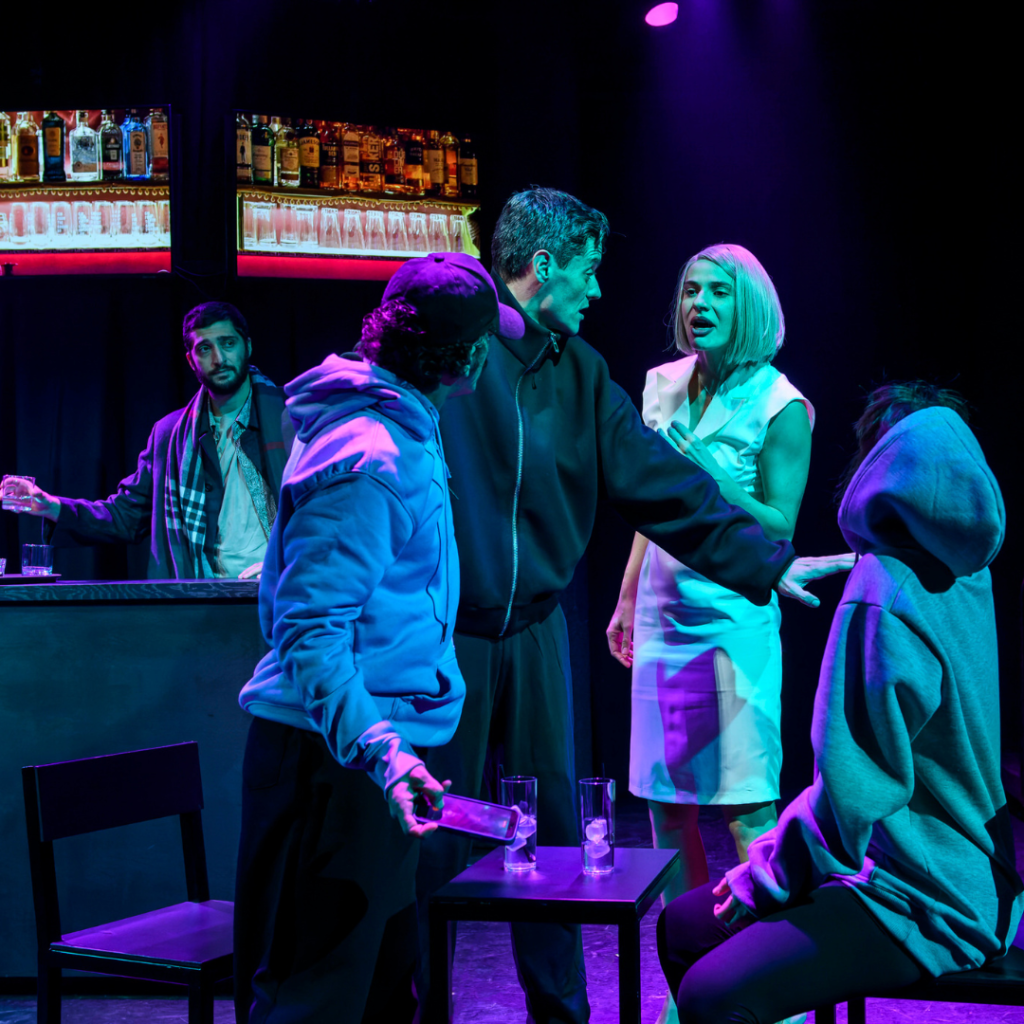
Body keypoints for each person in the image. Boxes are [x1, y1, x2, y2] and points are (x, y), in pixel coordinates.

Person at [418, 188, 841, 1024]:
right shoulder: (459, 350)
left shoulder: (581, 373)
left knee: (552, 836)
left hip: (539, 631)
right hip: (449, 634)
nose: (599, 289)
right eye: (587, 271)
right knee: (437, 827)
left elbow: (660, 486)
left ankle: (563, 1012)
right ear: (544, 267)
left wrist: (765, 563)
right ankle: (420, 1007)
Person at [657, 383, 1024, 1024]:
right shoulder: (968, 572)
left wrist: (763, 879)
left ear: (879, 468)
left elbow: (852, 795)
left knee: (712, 995)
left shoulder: (883, 588)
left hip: (924, 897)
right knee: (686, 924)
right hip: (972, 873)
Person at [232, 252, 523, 1024]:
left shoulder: (399, 424)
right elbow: (309, 631)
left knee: (385, 996)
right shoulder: (370, 455)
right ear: (466, 358)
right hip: (332, 768)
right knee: (315, 1001)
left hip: (370, 756)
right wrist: (386, 757)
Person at [1, 302, 290, 579]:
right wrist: (49, 505)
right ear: (191, 360)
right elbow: (126, 516)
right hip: (202, 596)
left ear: (247, 346)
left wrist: (284, 565)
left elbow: (316, 512)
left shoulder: (291, 418)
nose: (219, 359)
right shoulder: (169, 435)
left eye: (228, 343)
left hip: (284, 589)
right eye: (205, 348)